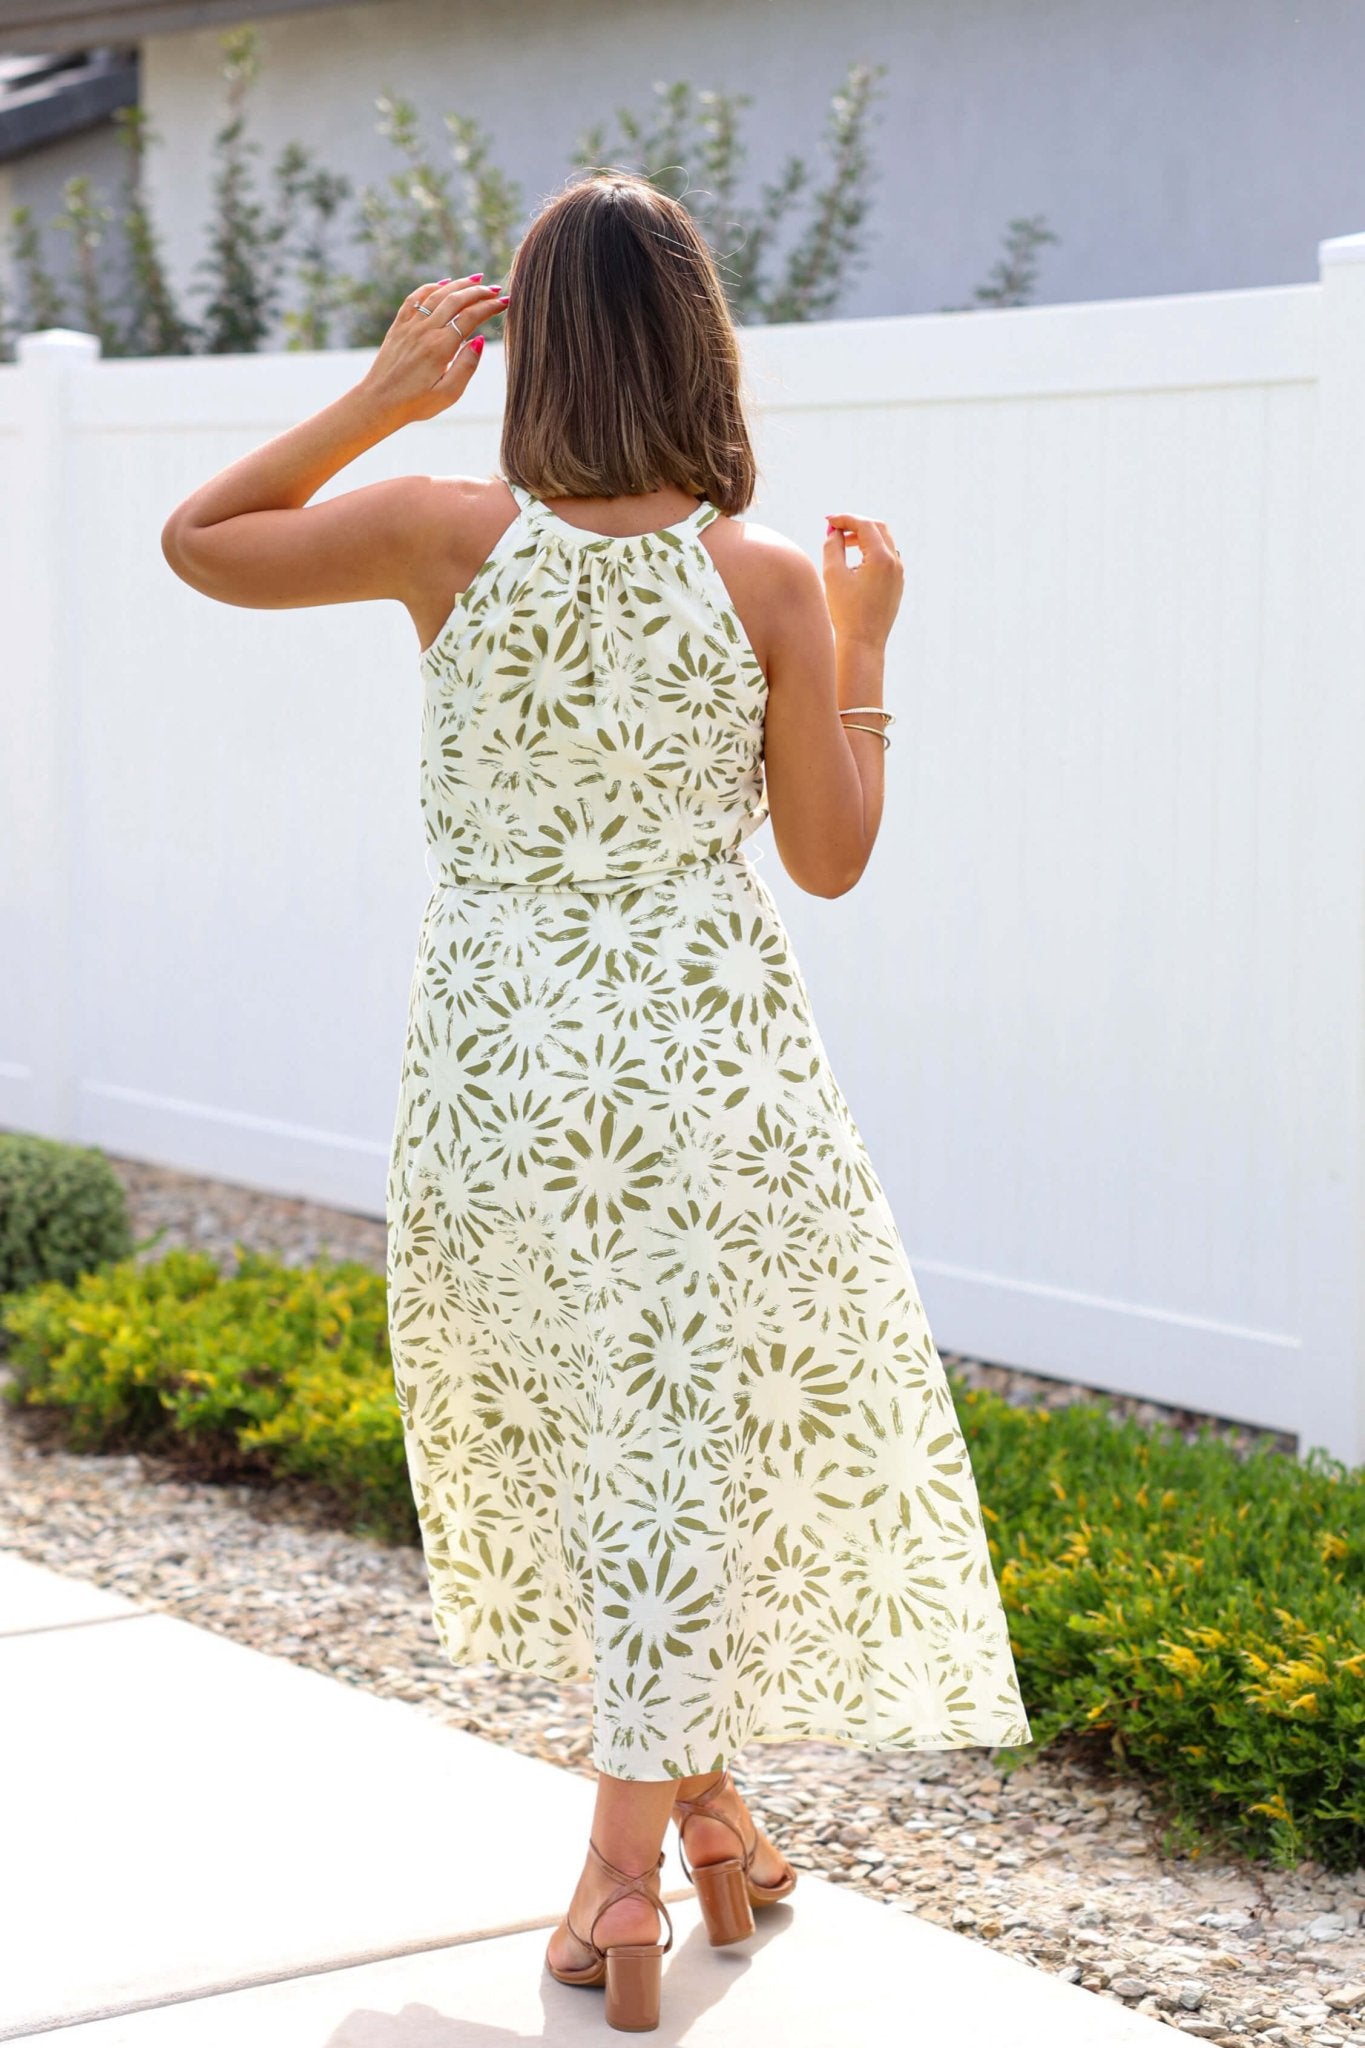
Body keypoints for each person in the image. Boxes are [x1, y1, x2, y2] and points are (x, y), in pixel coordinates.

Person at [162, 167, 1032, 2035]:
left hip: (502, 1066)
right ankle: (649, 1858)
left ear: (531, 350)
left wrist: (380, 398)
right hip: (708, 1066)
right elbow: (828, 861)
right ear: (704, 349)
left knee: (605, 1439)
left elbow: (204, 540)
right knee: (671, 1441)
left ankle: (672, 1843)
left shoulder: (440, 532)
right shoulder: (765, 578)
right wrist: (868, 643)